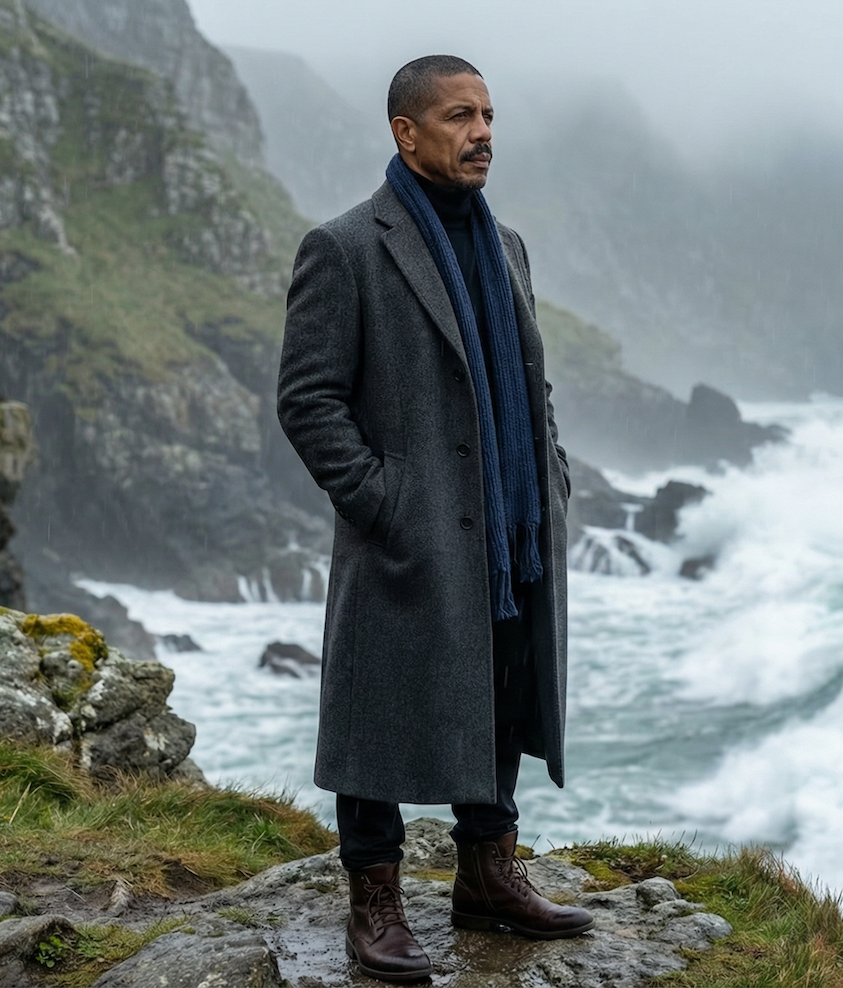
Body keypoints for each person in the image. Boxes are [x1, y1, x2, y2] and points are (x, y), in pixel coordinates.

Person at [277, 54, 592, 983]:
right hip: (408, 531)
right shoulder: (344, 247)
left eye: (489, 114)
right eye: (460, 116)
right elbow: (308, 402)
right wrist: (385, 503)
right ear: (405, 132)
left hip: (506, 525)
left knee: (496, 686)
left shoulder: (509, 248)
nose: (483, 132)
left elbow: (529, 385)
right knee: (376, 707)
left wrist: (553, 473)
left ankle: (488, 872)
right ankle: (374, 898)